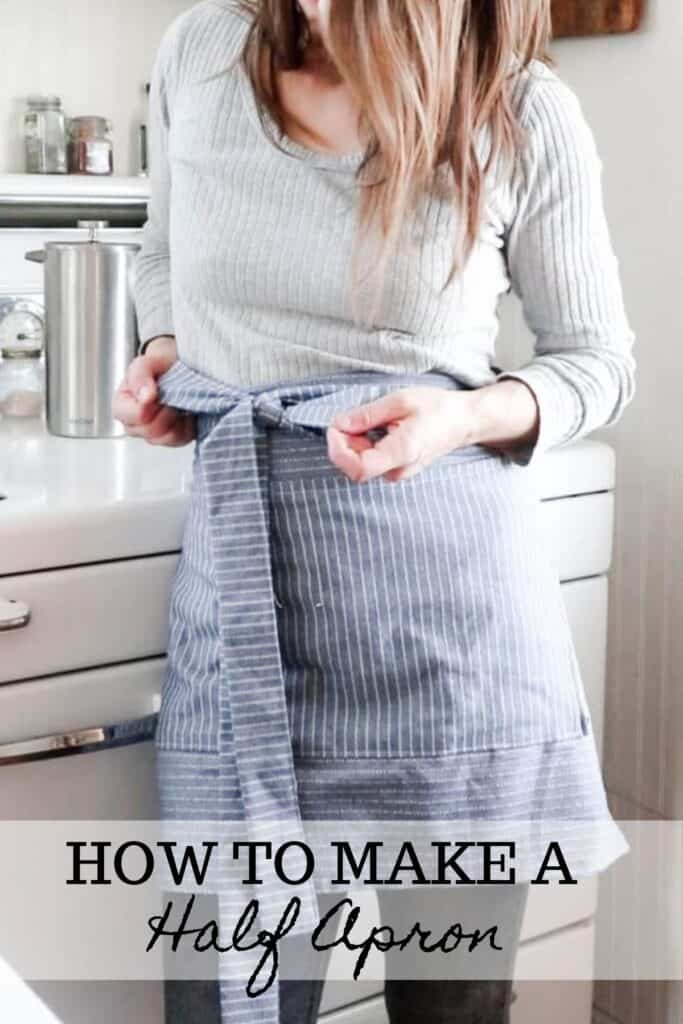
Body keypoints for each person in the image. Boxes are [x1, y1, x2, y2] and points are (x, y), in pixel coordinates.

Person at [113, 1, 636, 1022]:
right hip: (244, 624)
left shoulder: (520, 112)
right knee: (222, 1002)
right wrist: (169, 352)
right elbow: (162, 255)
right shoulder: (201, 54)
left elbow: (597, 361)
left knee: (452, 1008)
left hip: (449, 654)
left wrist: (461, 415)